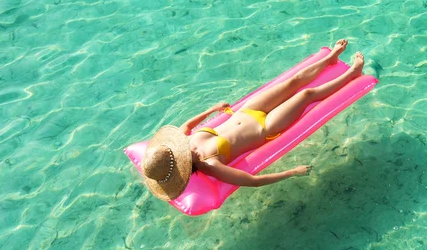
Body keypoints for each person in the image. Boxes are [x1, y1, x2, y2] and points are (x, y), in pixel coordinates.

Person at [142, 40, 365, 201]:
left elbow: (187, 126)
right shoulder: (210, 165)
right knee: (306, 95)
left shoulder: (185, 142)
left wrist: (212, 109)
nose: (180, 146)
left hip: (247, 111)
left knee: (293, 81)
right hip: (266, 128)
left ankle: (330, 59)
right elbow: (252, 181)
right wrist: (291, 172)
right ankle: (352, 74)